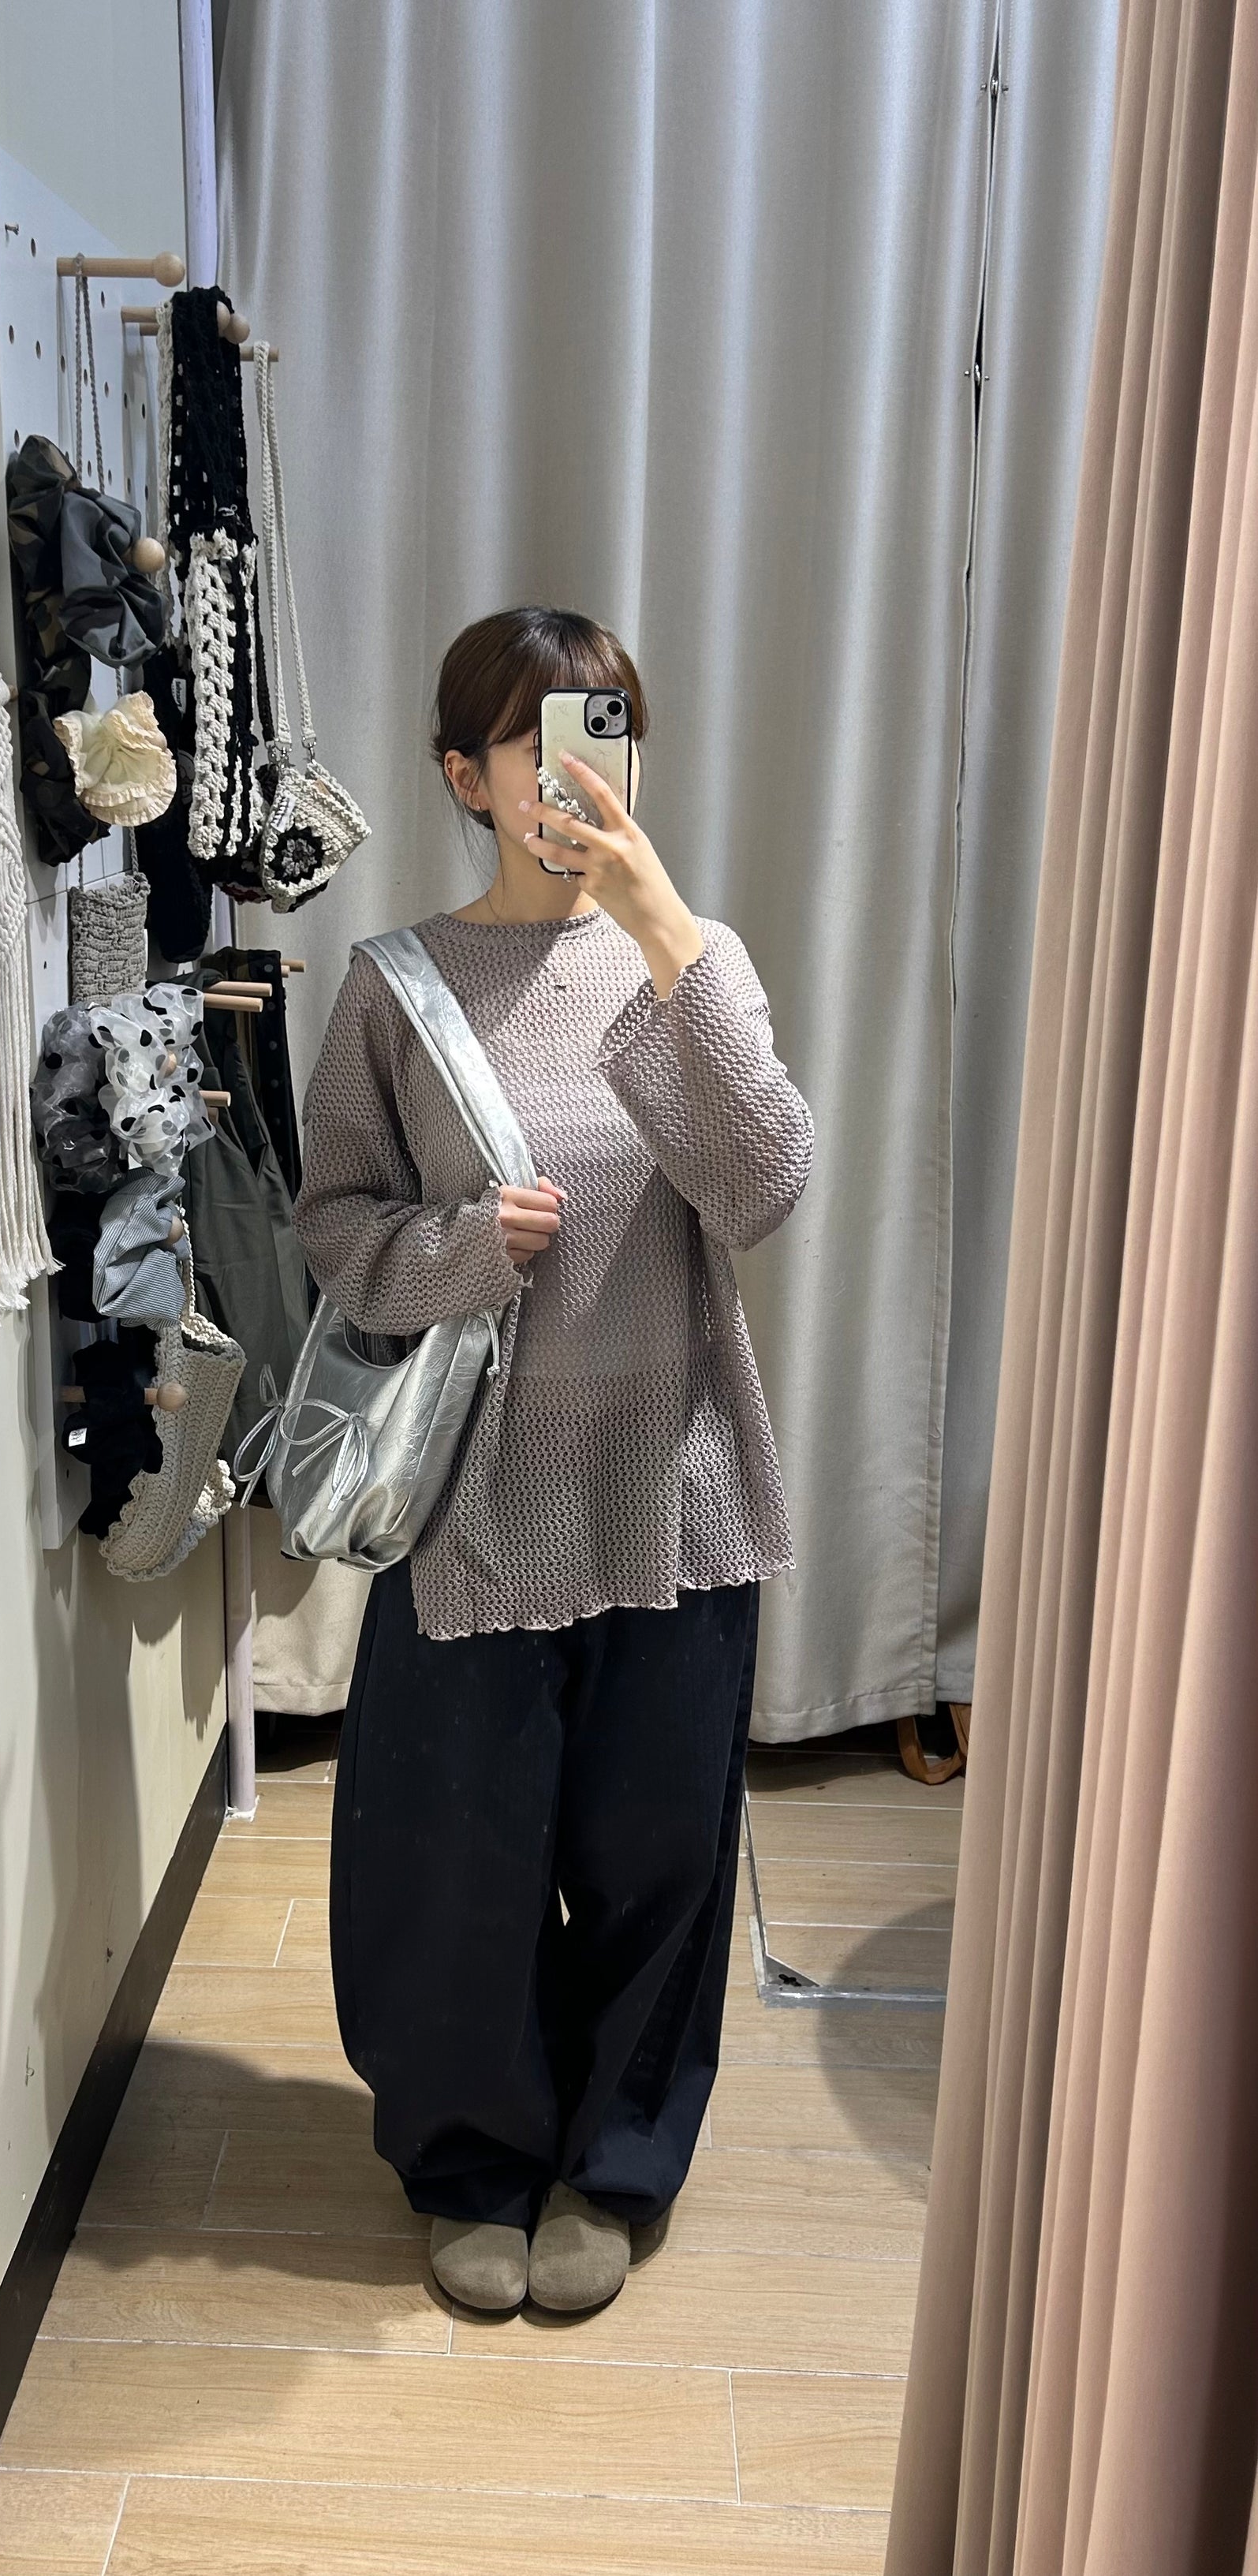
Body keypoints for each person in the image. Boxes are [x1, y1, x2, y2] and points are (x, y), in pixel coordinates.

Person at [293, 606, 812, 2317]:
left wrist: (663, 927)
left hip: (673, 1488)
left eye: (610, 726)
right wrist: (458, 1252)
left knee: (660, 1851)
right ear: (466, 774)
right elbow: (333, 1224)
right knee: (457, 1860)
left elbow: (763, 1187)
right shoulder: (398, 987)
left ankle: (615, 2160)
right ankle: (472, 2163)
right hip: (475, 1504)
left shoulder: (691, 962)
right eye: (541, 737)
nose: (584, 767)